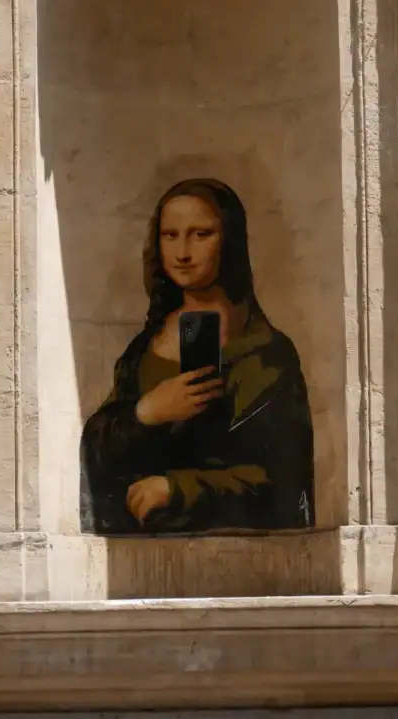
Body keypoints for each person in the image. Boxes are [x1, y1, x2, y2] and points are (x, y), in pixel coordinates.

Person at [80, 178, 316, 535]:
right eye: (170, 235)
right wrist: (146, 413)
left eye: (201, 234)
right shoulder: (143, 349)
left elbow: (281, 483)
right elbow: (96, 455)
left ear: (228, 241)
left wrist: (176, 490)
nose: (183, 252)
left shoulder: (265, 353)